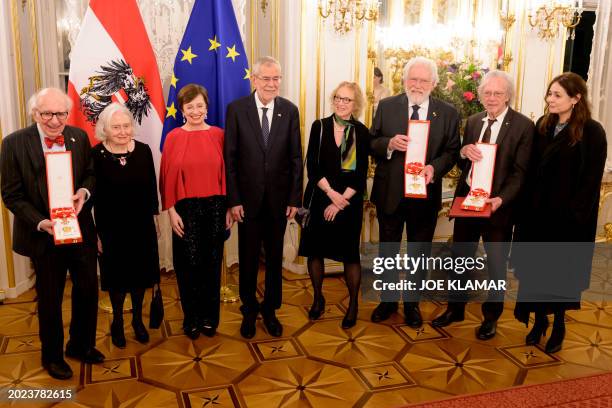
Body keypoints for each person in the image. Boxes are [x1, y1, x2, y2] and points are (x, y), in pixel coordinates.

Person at [0, 87, 104, 379]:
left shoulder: (79, 137)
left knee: (87, 290)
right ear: (35, 113)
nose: (55, 120)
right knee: (50, 299)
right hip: (42, 236)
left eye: (61, 113)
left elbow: (90, 174)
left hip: (79, 229)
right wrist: (42, 222)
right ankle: (53, 356)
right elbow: (11, 195)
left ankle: (81, 345)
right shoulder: (13, 143)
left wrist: (83, 193)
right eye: (48, 113)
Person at [431, 70, 534, 340]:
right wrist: (464, 151)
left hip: (498, 207)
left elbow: (521, 172)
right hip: (469, 202)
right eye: (487, 93)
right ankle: (456, 309)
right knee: (460, 259)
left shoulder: (523, 126)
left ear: (508, 95)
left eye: (497, 93)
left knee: (497, 264)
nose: (491, 98)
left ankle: (491, 317)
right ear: (480, 96)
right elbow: (466, 159)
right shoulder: (474, 121)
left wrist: (501, 199)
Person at [513, 72, 607, 353]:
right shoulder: (543, 125)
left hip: (568, 223)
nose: (549, 99)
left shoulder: (592, 132)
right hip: (536, 218)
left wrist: (573, 217)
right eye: (549, 94)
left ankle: (559, 326)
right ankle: (539, 321)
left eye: (557, 95)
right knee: (535, 274)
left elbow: (591, 183)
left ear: (576, 99)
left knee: (559, 276)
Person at [370, 56, 460, 327]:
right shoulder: (386, 107)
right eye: (413, 79)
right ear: (404, 80)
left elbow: (453, 151)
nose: (417, 85)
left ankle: (411, 305)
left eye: (423, 80)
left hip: (425, 194)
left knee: (419, 252)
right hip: (391, 193)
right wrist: (388, 143)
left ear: (433, 83)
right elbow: (371, 142)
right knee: (387, 250)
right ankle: (387, 302)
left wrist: (435, 167)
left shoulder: (448, 113)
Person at [224, 56, 302, 339]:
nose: (272, 84)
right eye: (266, 78)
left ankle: (270, 310)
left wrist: (295, 198)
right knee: (247, 257)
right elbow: (229, 159)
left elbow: (296, 158)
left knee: (274, 258)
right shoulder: (236, 110)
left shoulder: (290, 111)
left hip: (280, 202)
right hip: (246, 202)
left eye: (276, 78)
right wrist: (233, 200)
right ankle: (249, 309)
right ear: (254, 80)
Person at [160, 84, 232, 340]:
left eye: (200, 105)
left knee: (211, 266)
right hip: (184, 209)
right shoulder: (173, 137)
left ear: (207, 107)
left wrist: (227, 209)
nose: (195, 111)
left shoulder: (219, 135)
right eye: (190, 107)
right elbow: (166, 176)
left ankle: (209, 318)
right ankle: (190, 318)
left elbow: (229, 175)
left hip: (215, 207)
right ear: (182, 109)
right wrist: (170, 210)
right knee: (187, 266)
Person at [298, 82, 370, 329]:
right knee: (315, 252)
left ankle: (353, 306)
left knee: (350, 255)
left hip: (348, 203)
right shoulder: (320, 127)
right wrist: (330, 194)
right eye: (338, 98)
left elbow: (359, 175)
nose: (341, 103)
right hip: (320, 198)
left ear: (355, 104)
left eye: (347, 100)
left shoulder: (359, 131)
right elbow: (313, 168)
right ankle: (318, 299)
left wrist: (340, 202)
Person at [92, 103, 160, 348]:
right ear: (105, 130)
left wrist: (155, 217)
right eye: (116, 127)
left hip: (141, 226)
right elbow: (91, 197)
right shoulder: (95, 155)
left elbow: (152, 188)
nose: (122, 131)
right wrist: (95, 233)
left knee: (141, 276)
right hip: (111, 230)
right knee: (117, 278)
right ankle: (118, 321)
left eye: (126, 125)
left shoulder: (143, 151)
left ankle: (137, 322)